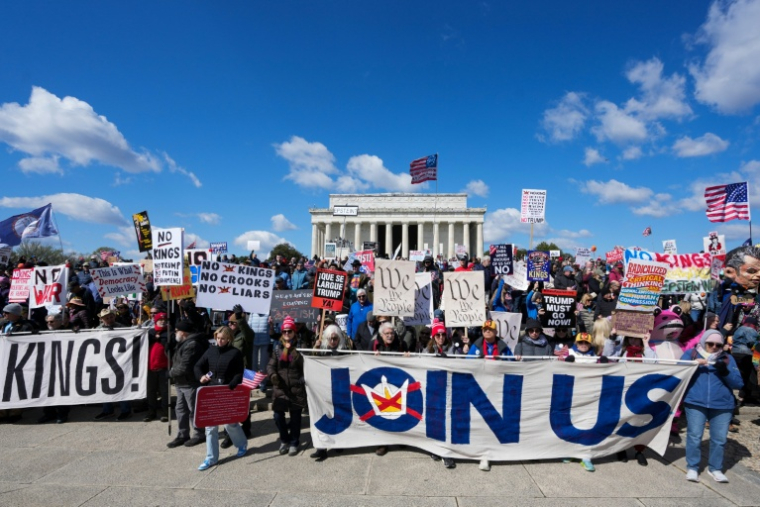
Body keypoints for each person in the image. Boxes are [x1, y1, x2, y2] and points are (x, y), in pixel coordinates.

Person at [681, 329, 743, 483]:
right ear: (704, 342)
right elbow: (678, 372)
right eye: (710, 343)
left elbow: (739, 383)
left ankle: (715, 468)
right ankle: (693, 467)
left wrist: (725, 371)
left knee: (719, 439)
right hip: (695, 401)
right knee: (694, 436)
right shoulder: (691, 354)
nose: (714, 347)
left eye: (718, 344)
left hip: (722, 405)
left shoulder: (727, 358)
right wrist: (693, 365)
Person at [194, 326, 248, 471]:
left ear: (229, 338)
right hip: (212, 392)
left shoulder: (235, 353)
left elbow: (239, 372)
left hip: (226, 392)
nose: (220, 341)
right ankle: (211, 458)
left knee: (230, 424)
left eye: (223, 338)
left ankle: (241, 444)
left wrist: (233, 383)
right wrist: (201, 376)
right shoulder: (210, 350)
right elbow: (198, 366)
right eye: (218, 338)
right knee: (210, 427)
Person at [467, 319, 513, 471]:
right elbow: (467, 363)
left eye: (490, 329)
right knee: (481, 420)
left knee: (494, 420)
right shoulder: (476, 346)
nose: (487, 331)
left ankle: (488, 452)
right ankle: (482, 453)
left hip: (497, 387)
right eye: (485, 329)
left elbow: (511, 364)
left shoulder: (503, 347)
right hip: (480, 388)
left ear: (496, 332)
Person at [613, 334, 656, 466]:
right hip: (624, 391)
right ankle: (621, 449)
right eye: (630, 337)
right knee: (624, 421)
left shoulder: (645, 353)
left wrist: (646, 343)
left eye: (636, 338)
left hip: (641, 392)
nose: (633, 340)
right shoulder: (622, 352)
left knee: (641, 422)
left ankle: (639, 451)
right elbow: (611, 358)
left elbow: (654, 363)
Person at [268, 316, 307, 457]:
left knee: (296, 418)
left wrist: (294, 352)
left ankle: (294, 442)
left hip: (296, 388)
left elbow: (305, 365)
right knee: (278, 416)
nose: (286, 334)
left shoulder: (301, 347)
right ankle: (284, 440)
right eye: (284, 331)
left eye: (289, 331)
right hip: (281, 388)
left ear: (294, 332)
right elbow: (271, 365)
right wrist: (273, 376)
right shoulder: (277, 349)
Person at [167, 320, 209, 448]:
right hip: (181, 383)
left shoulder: (192, 345)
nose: (175, 333)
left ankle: (199, 434)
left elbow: (184, 367)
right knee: (180, 409)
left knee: (193, 410)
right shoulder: (183, 343)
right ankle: (182, 434)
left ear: (183, 332)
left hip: (190, 382)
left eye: (176, 331)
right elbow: (176, 360)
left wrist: (170, 373)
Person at [310, 324, 348, 462]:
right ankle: (321, 449)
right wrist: (316, 348)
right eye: (330, 339)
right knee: (321, 416)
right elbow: (311, 361)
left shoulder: (344, 351)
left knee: (339, 417)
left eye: (335, 338)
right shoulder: (322, 350)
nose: (333, 341)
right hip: (323, 389)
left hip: (339, 388)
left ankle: (338, 443)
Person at [145, 311, 169, 423]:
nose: (163, 322)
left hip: (164, 368)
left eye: (164, 320)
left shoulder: (169, 333)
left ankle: (165, 413)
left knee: (165, 392)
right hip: (150, 368)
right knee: (151, 391)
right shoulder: (149, 333)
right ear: (156, 321)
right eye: (160, 320)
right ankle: (151, 412)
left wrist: (161, 338)